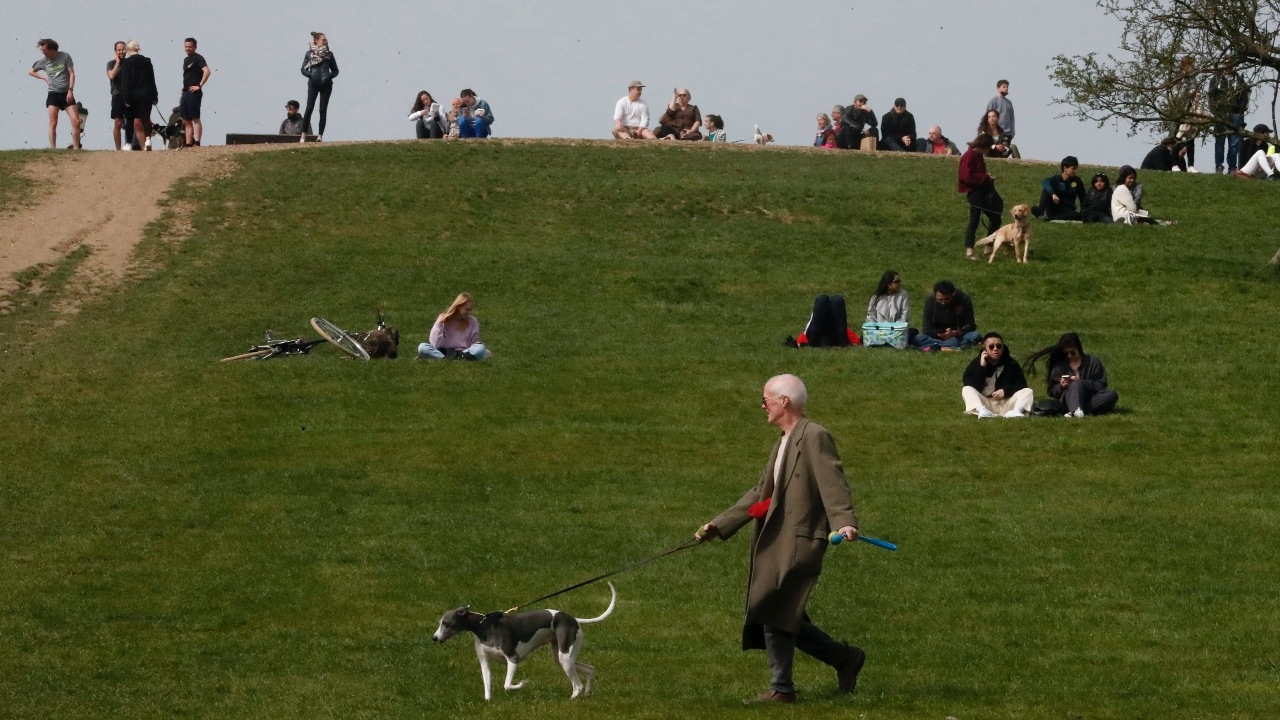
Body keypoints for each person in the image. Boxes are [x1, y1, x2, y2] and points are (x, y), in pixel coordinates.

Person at [694, 374, 865, 704]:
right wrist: (720, 524)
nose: (763, 406)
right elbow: (762, 492)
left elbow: (833, 481)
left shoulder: (814, 436)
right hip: (775, 538)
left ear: (783, 401)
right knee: (781, 611)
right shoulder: (785, 440)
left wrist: (845, 521)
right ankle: (842, 659)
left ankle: (783, 688)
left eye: (766, 400)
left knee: (773, 605)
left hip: (799, 540)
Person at [1025, 332, 1118, 417]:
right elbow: (1051, 391)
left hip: (1090, 397)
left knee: (1112, 395)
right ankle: (1076, 410)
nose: (1069, 356)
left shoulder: (1093, 362)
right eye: (1066, 354)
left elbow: (1101, 385)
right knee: (1076, 384)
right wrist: (1061, 386)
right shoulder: (1059, 366)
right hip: (1068, 399)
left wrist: (1082, 383)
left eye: (1072, 353)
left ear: (1079, 350)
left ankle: (1075, 410)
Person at [962, 332, 1033, 418]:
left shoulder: (1011, 364)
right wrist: (981, 367)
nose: (995, 349)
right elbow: (972, 385)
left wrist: (1005, 391)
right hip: (985, 403)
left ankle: (1016, 412)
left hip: (1005, 403)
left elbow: (1022, 384)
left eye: (999, 346)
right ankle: (982, 411)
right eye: (991, 346)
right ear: (985, 348)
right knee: (967, 389)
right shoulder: (976, 363)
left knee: (1028, 391)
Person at [29, 39, 81, 150]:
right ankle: (53, 149)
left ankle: (76, 148)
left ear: (52, 49)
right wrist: (44, 78)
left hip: (66, 93)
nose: (43, 52)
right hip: (53, 94)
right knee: (53, 122)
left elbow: (72, 74)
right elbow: (31, 71)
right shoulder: (44, 61)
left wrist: (70, 90)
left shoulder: (65, 56)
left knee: (76, 121)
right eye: (41, 50)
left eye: (44, 50)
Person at [958, 133, 1003, 260]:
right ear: (983, 146)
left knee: (996, 218)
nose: (988, 151)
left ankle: (988, 248)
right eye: (987, 148)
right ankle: (969, 252)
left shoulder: (978, 156)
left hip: (982, 192)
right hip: (975, 193)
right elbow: (966, 176)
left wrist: (987, 177)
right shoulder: (969, 156)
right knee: (974, 222)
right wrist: (985, 177)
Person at [416, 293, 491, 360]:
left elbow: (474, 343)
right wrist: (438, 324)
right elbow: (435, 345)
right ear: (459, 307)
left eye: (470, 310)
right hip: (444, 351)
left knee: (481, 348)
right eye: (467, 309)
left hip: (463, 352)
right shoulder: (444, 319)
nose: (469, 312)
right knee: (422, 347)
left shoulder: (472, 321)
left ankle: (448, 358)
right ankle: (454, 358)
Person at [1208, 59, 1248, 174]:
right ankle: (1219, 166)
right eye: (1226, 63)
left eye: (1230, 63)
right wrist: (1215, 111)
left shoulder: (1239, 79)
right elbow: (1211, 96)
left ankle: (1232, 167)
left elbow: (1244, 97)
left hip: (1235, 115)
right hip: (1220, 115)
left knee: (1234, 143)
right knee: (1219, 141)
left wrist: (1240, 112)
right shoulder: (1216, 79)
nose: (1228, 65)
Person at [915, 280, 980, 351]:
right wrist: (941, 334)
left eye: (946, 299)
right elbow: (926, 329)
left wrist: (955, 333)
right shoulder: (930, 302)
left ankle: (937, 346)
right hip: (938, 336)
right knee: (919, 338)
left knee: (975, 335)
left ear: (953, 294)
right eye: (940, 300)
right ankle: (954, 346)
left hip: (958, 335)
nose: (943, 303)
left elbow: (970, 325)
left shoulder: (963, 300)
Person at [119, 40, 157, 152]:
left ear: (128, 50)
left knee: (132, 121)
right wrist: (155, 96)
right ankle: (148, 139)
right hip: (146, 95)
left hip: (133, 96)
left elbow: (125, 83)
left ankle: (133, 144)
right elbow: (152, 80)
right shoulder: (147, 62)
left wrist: (126, 99)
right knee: (145, 119)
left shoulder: (127, 63)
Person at [300, 31, 338, 143]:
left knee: (322, 109)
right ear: (316, 40)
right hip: (313, 84)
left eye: (326, 40)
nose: (325, 41)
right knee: (309, 108)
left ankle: (320, 136)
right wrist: (310, 75)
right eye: (323, 39)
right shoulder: (309, 54)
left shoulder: (329, 55)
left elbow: (336, 70)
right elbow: (303, 69)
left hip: (326, 85)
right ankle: (303, 136)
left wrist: (329, 76)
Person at [788, 295, 858, 348]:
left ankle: (813, 340)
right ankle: (842, 341)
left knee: (825, 300)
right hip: (836, 337)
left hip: (821, 336)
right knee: (830, 300)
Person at [1035, 156, 1086, 221]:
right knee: (1046, 190)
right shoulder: (1056, 179)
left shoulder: (1077, 181)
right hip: (1054, 209)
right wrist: (1053, 194)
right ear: (1065, 168)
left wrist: (1082, 213)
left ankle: (1047, 220)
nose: (1075, 171)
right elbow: (1045, 182)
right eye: (1073, 169)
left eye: (1076, 169)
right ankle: (1040, 213)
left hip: (1068, 211)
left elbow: (1083, 198)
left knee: (1076, 215)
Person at [180, 38, 209, 148]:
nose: (187, 49)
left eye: (190, 47)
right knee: (186, 120)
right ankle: (188, 143)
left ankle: (197, 142)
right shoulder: (185, 60)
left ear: (195, 47)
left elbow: (207, 71)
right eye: (186, 47)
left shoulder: (198, 58)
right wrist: (183, 89)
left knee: (195, 118)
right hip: (186, 92)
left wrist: (199, 85)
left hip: (194, 92)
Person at [106, 41, 134, 151]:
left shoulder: (130, 63)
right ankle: (118, 149)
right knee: (118, 122)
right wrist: (117, 63)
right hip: (117, 95)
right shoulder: (111, 63)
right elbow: (111, 76)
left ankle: (129, 144)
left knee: (131, 121)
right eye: (119, 50)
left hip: (129, 95)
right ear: (115, 51)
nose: (121, 52)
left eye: (123, 49)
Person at [985, 79, 1015, 146]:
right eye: (1004, 87)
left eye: (1007, 87)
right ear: (998, 88)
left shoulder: (1009, 103)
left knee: (1007, 149)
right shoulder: (993, 101)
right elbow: (988, 117)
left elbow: (1012, 119)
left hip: (1007, 133)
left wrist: (1012, 133)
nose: (1006, 88)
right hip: (996, 133)